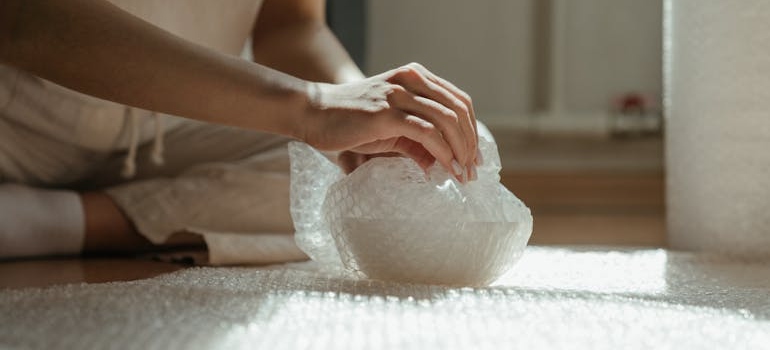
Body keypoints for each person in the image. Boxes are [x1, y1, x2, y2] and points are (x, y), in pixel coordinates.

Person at [0, 0, 480, 262]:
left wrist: (358, 105)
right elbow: (22, 20)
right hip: (14, 130)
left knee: (436, 145)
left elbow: (288, 27)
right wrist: (311, 106)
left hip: (167, 129)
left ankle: (55, 222)